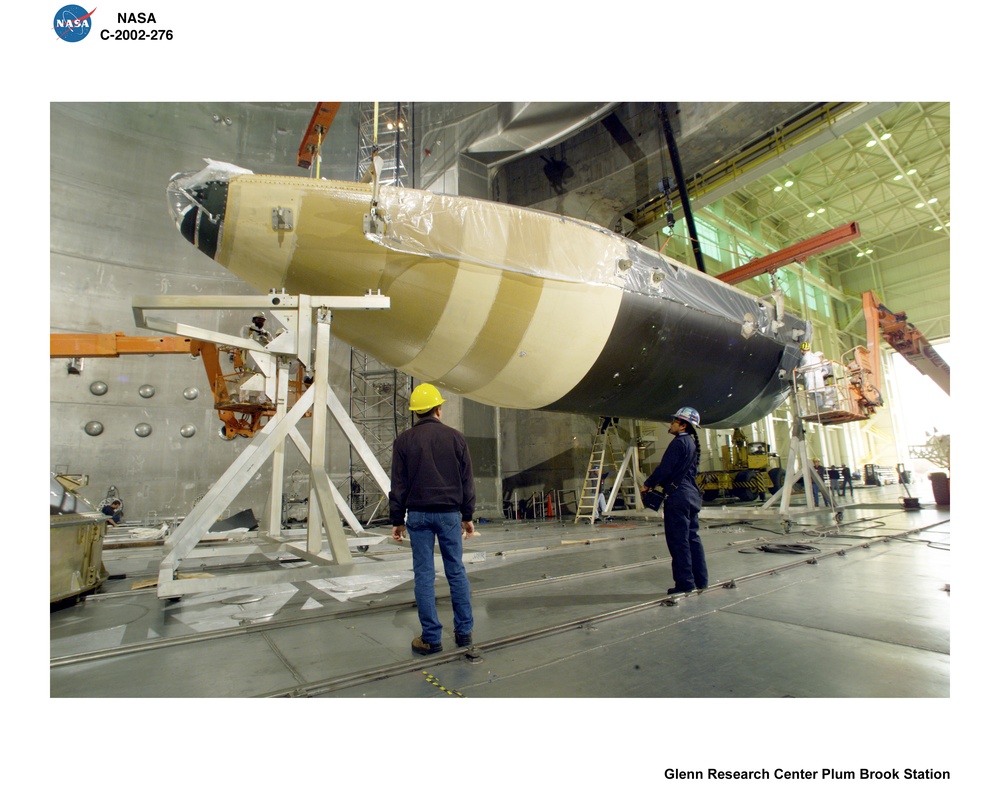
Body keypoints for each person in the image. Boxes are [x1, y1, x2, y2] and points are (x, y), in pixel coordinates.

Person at [389, 383, 476, 655]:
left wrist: (397, 520)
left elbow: (398, 485)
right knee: (456, 571)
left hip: (418, 515)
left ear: (416, 412)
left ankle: (431, 638)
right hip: (450, 515)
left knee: (424, 575)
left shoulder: (403, 441)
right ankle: (463, 633)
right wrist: (467, 515)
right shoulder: (456, 438)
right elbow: (466, 481)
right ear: (438, 409)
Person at [640, 407, 707, 594]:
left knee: (679, 542)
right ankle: (701, 580)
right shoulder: (691, 444)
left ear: (683, 425)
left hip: (678, 499)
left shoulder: (678, 443)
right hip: (692, 497)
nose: (671, 424)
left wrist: (648, 484)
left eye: (674, 422)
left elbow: (665, 469)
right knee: (693, 539)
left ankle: (685, 583)